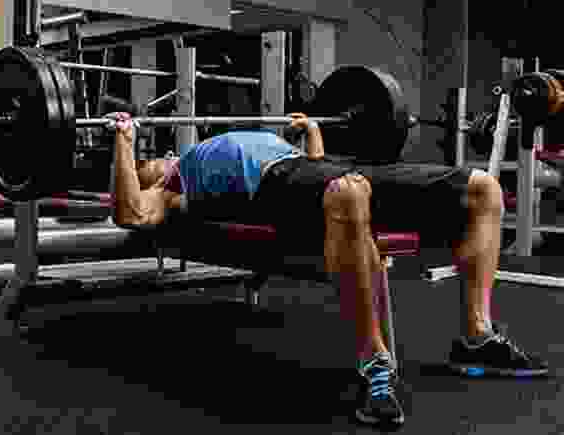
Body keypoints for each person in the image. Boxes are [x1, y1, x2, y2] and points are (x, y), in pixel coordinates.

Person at [106, 111, 548, 427]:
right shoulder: (174, 187)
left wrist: (313, 132)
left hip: (316, 167)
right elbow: (131, 212)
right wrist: (124, 144)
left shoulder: (195, 156)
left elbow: (311, 172)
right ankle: (375, 363)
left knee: (483, 190)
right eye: (148, 166)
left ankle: (475, 336)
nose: (158, 158)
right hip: (274, 190)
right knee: (348, 194)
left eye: (154, 158)